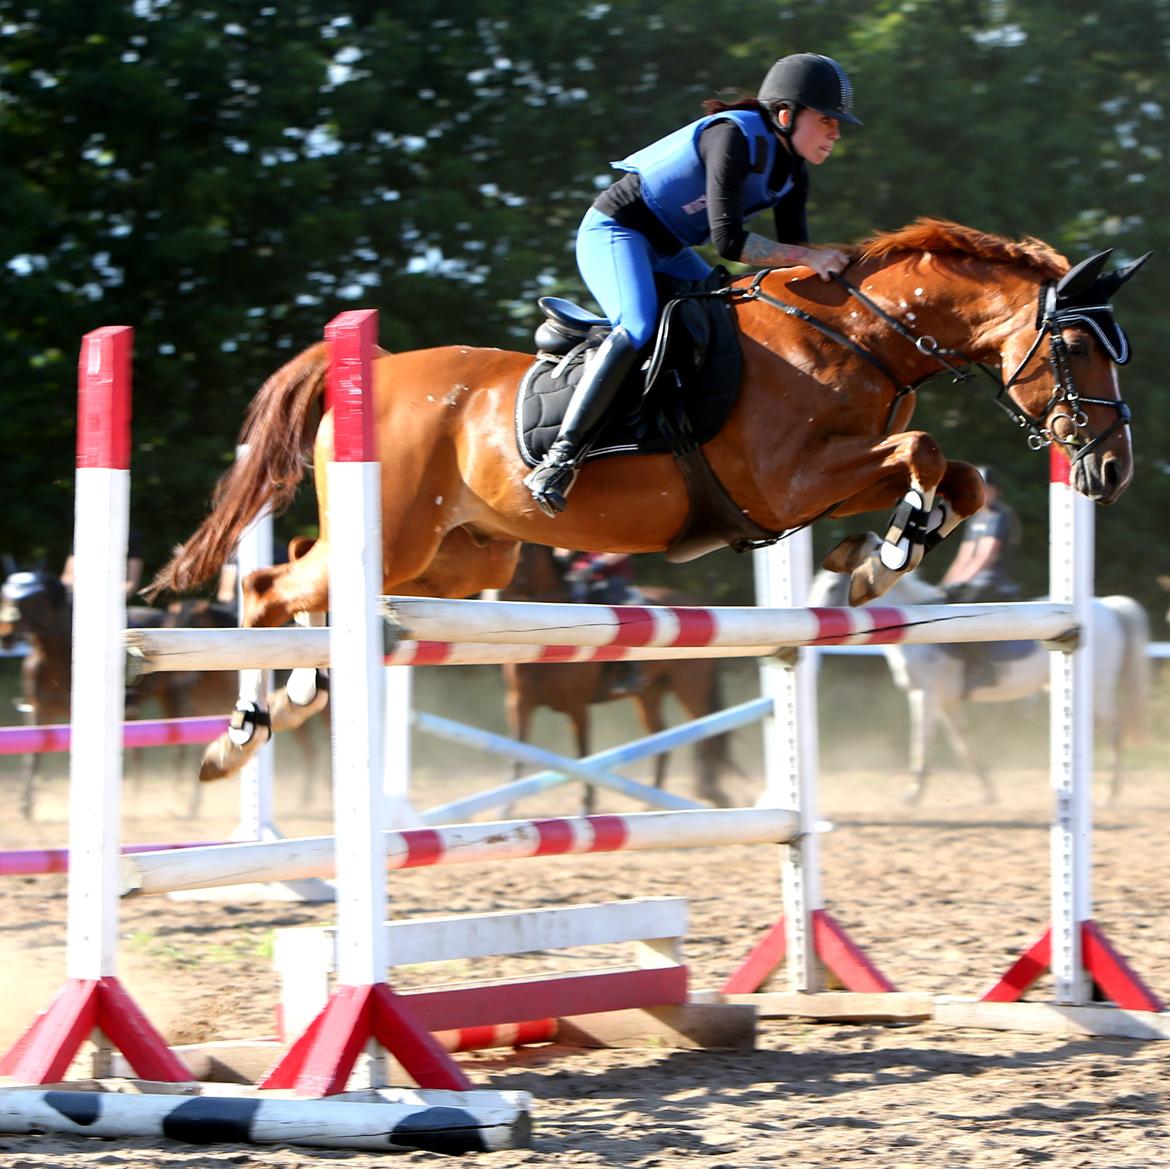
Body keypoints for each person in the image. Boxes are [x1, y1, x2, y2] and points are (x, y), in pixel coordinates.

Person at [524, 51, 860, 516]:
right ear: (785, 115)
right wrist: (809, 257)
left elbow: (795, 258)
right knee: (638, 327)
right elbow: (729, 241)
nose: (836, 132)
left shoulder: (792, 173)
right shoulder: (732, 136)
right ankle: (560, 457)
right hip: (617, 232)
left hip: (669, 249)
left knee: (731, 319)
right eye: (826, 119)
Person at [939, 467, 1022, 603]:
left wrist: (958, 583)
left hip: (991, 584)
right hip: (972, 582)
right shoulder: (975, 518)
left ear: (995, 491)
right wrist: (944, 586)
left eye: (985, 489)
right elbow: (963, 557)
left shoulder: (998, 516)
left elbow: (985, 557)